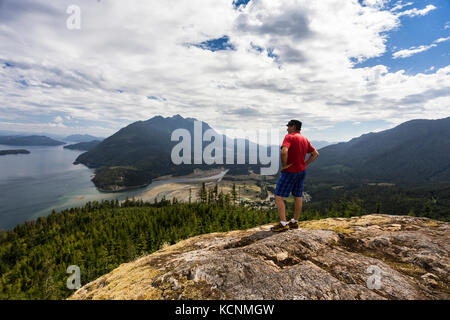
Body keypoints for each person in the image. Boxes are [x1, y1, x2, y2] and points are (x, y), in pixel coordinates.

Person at [271, 120, 319, 232]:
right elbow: (315, 154)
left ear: (293, 126)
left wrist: (284, 165)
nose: (287, 128)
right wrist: (305, 163)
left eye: (288, 126)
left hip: (290, 171)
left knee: (278, 196)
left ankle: (283, 224)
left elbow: (284, 152)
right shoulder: (304, 139)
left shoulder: (289, 137)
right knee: (298, 196)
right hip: (301, 172)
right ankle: (294, 222)